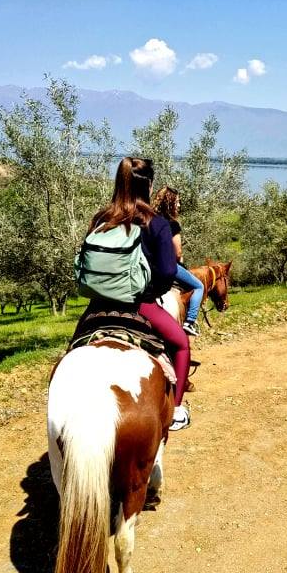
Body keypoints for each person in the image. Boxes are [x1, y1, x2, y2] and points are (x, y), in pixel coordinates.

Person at [83, 157, 191, 431]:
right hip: (139, 305)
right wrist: (152, 291)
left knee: (76, 349)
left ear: (120, 182)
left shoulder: (102, 218)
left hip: (96, 307)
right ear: (150, 184)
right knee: (180, 344)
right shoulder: (155, 223)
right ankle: (177, 409)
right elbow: (168, 271)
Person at [152, 186, 204, 337]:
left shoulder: (149, 219)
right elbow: (177, 252)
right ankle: (190, 322)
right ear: (170, 203)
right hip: (168, 266)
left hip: (150, 265)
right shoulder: (172, 224)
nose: (179, 205)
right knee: (199, 286)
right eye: (177, 202)